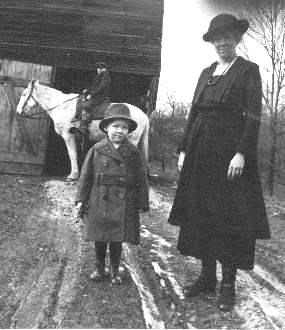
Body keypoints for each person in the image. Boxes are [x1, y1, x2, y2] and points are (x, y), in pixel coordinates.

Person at [168, 13, 270, 311]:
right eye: (217, 38)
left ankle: (228, 285)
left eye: (227, 37)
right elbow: (194, 112)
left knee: (229, 219)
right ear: (212, 42)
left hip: (229, 157)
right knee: (201, 215)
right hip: (200, 153)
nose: (222, 43)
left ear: (237, 40)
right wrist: (184, 148)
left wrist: (242, 153)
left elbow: (253, 116)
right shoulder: (206, 72)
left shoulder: (248, 71)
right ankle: (207, 277)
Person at [75, 103, 149, 284]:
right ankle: (100, 268)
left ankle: (115, 270)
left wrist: (142, 202)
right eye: (115, 126)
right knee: (100, 237)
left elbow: (141, 177)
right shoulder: (97, 149)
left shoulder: (133, 152)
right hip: (100, 198)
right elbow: (86, 176)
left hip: (123, 199)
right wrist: (80, 199)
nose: (119, 131)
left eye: (124, 127)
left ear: (128, 131)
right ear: (106, 127)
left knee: (117, 238)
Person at [71, 62, 111, 136]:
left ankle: (83, 128)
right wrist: (87, 90)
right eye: (98, 68)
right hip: (97, 95)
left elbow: (100, 87)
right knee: (81, 101)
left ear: (104, 69)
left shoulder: (105, 76)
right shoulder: (100, 76)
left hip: (101, 96)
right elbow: (94, 86)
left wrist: (91, 95)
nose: (98, 69)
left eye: (100, 68)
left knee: (87, 106)